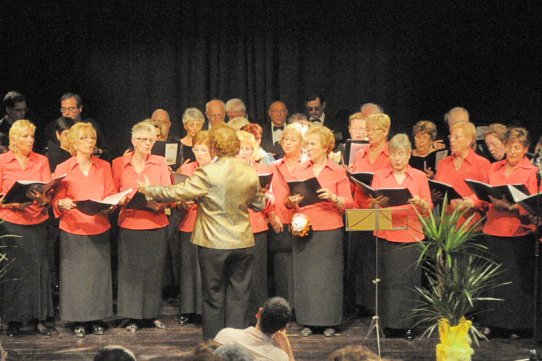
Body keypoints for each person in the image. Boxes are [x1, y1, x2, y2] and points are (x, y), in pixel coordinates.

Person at [139, 124, 267, 339]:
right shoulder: (249, 172)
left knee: (213, 295)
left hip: (213, 244)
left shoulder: (207, 172)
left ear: (214, 147)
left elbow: (180, 191)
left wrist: (149, 190)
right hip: (243, 243)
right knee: (239, 295)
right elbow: (259, 205)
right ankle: (234, 342)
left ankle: (214, 344)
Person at [464, 127, 538, 338]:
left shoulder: (531, 172)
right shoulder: (495, 168)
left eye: (517, 147)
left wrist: (513, 207)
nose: (512, 151)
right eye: (509, 147)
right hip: (493, 229)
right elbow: (484, 195)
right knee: (493, 282)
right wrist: (471, 199)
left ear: (525, 149)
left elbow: (534, 204)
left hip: (517, 232)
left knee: (514, 284)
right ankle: (492, 324)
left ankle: (515, 326)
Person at [361, 134, 432, 337]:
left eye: (401, 154)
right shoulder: (380, 175)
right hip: (386, 234)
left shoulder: (419, 176)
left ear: (409, 155)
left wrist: (420, 202)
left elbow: (428, 207)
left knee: (408, 282)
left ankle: (408, 324)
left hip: (411, 235)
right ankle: (389, 323)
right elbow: (371, 203)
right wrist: (375, 203)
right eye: (393, 154)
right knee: (388, 282)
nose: (397, 159)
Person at [286, 125, 353, 337]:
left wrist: (333, 198)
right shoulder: (299, 169)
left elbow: (349, 203)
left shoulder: (338, 171)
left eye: (312, 144)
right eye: (306, 144)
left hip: (329, 228)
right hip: (304, 228)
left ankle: (329, 321)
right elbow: (287, 202)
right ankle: (307, 320)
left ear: (325, 147)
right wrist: (290, 201)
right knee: (305, 276)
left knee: (328, 277)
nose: (307, 148)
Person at [52, 122, 116, 337]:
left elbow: (110, 194)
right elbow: (56, 198)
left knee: (98, 276)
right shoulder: (63, 168)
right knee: (76, 277)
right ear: (74, 143)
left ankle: (98, 318)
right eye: (84, 139)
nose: (90, 142)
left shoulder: (104, 166)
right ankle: (78, 320)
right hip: (73, 228)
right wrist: (62, 204)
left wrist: (110, 206)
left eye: (92, 138)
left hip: (98, 225)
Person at [111, 121, 171, 332]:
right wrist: (120, 200)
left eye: (152, 140)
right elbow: (114, 190)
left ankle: (151, 315)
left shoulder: (160, 162)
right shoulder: (119, 163)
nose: (148, 144)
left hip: (155, 222)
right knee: (131, 272)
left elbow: (168, 191)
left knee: (154, 271)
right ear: (133, 141)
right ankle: (132, 316)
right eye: (144, 140)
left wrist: (160, 203)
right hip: (130, 223)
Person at [0, 120, 54, 337]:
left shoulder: (41, 161)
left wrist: (42, 199)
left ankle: (39, 318)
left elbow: (49, 193)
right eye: (25, 137)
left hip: (35, 223)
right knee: (14, 273)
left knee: (37, 271)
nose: (30, 140)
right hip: (10, 223)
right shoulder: (3, 161)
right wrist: (10, 203)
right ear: (13, 139)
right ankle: (13, 319)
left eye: (32, 136)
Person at [350, 113, 391, 315]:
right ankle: (363, 303)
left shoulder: (392, 154)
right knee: (362, 257)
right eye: (368, 130)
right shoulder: (360, 154)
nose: (369, 134)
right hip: (362, 208)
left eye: (373, 130)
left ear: (385, 132)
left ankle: (380, 302)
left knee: (380, 256)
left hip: (384, 209)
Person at [267, 124, 306, 305]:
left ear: (302, 143)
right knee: (282, 268)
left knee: (303, 267)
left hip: (305, 222)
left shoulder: (308, 165)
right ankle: (285, 308)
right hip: (280, 221)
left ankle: (303, 308)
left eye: (293, 140)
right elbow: (267, 192)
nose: (288, 143)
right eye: (285, 139)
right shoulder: (273, 166)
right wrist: (271, 214)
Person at [177, 130, 212, 325]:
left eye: (203, 150)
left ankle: (205, 309)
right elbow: (176, 195)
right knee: (189, 268)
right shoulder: (187, 168)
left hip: (209, 224)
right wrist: (181, 203)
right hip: (189, 222)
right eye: (196, 149)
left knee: (205, 269)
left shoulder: (216, 168)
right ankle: (188, 309)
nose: (199, 153)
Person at [236, 130, 271, 323]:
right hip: (235, 228)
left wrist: (265, 194)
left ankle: (258, 318)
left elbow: (270, 199)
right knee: (239, 275)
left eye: (248, 149)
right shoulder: (228, 170)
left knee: (257, 276)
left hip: (257, 226)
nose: (244, 152)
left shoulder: (261, 169)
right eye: (240, 148)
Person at [434, 121, 491, 224]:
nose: (451, 141)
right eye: (450, 137)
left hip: (471, 226)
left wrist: (471, 201)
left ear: (468, 140)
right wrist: (434, 195)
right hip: (446, 225)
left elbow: (487, 195)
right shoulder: (443, 163)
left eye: (456, 137)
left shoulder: (482, 163)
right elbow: (437, 189)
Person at [215, 297, 295, 361]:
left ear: (259, 313)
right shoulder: (279, 357)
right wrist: (285, 343)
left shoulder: (225, 335)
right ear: (283, 328)